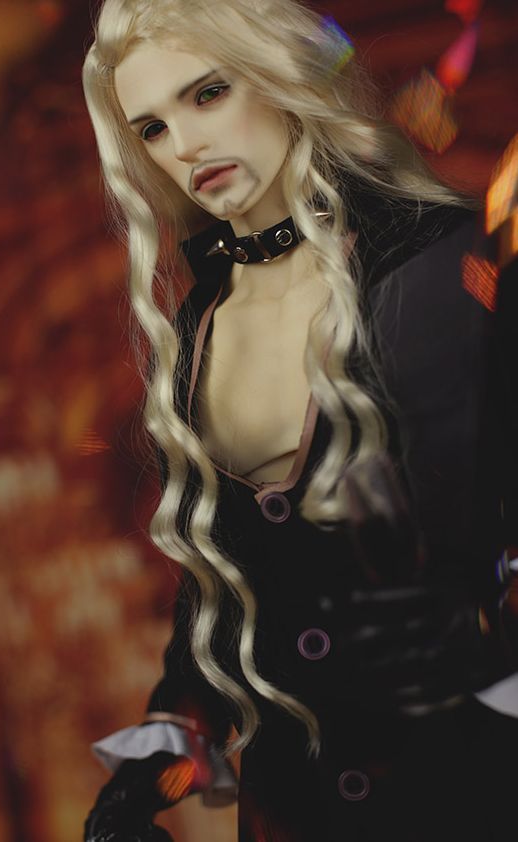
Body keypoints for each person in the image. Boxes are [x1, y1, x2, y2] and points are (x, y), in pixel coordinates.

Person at [81, 1, 518, 839]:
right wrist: (155, 763)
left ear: (279, 76)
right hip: (290, 815)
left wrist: (488, 638)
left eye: (208, 93)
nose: (186, 145)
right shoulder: (195, 332)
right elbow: (219, 615)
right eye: (153, 129)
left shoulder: (446, 267)